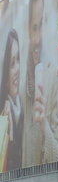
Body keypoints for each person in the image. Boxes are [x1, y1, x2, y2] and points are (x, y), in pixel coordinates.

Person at [23, 0, 58, 165]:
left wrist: (43, 124)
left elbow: (57, 159)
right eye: (34, 27)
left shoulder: (51, 77)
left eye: (41, 26)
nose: (37, 40)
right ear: (27, 29)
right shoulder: (15, 79)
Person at [0, 29, 24, 171]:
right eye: (12, 63)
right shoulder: (4, 114)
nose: (17, 70)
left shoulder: (24, 110)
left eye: (18, 60)